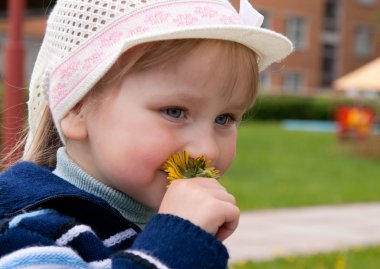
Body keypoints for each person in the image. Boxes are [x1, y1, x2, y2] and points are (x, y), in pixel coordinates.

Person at [0, 0, 292, 268]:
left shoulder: (158, 223)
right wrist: (177, 241)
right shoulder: (27, 228)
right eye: (175, 111)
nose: (207, 150)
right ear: (77, 108)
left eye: (224, 118)